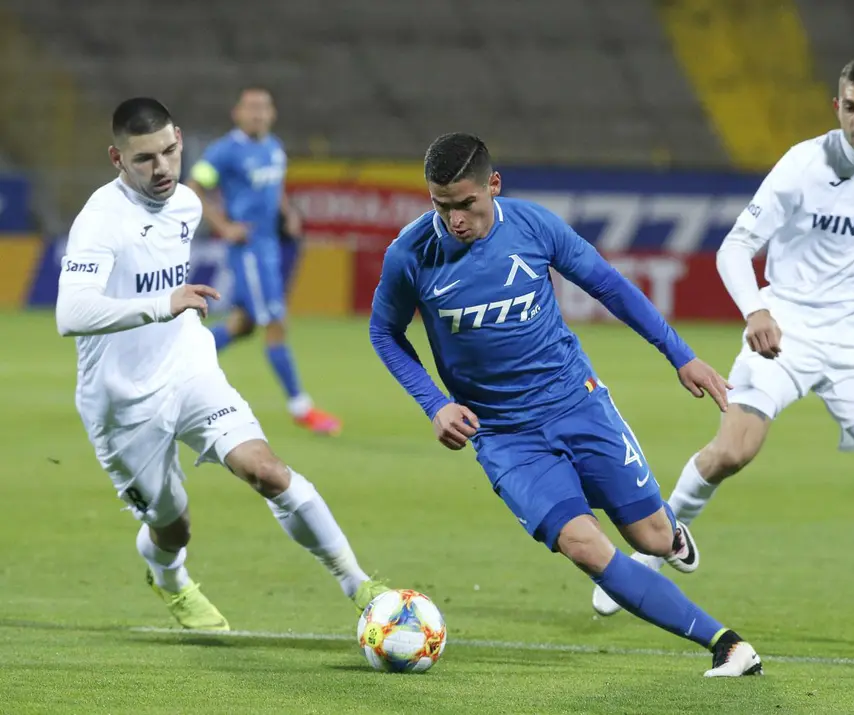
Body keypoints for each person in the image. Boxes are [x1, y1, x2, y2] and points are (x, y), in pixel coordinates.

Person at [590, 57, 854, 652]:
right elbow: (735, 247)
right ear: (837, 107)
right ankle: (655, 548)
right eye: (850, 107)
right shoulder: (804, 165)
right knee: (733, 450)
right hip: (788, 327)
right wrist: (756, 310)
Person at [369, 132, 762, 677]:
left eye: (466, 204)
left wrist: (681, 356)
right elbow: (385, 334)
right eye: (441, 206)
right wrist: (435, 404)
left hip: (577, 403)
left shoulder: (534, 226)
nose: (455, 220)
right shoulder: (409, 255)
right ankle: (726, 644)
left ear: (493, 185)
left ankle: (669, 535)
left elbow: (610, 287)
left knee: (650, 537)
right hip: (503, 435)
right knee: (582, 545)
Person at [56, 97, 388, 631]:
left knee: (267, 471)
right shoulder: (100, 221)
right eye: (144, 159)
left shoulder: (187, 205)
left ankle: (362, 587)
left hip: (188, 370)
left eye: (169, 152)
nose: (162, 168)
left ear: (180, 140)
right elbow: (71, 313)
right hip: (122, 402)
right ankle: (169, 577)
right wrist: (163, 304)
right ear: (117, 158)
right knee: (173, 526)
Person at [187, 86, 341, 436]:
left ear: (272, 114)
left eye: (263, 108)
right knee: (275, 322)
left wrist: (288, 213)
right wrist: (224, 226)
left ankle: (176, 362)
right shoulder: (225, 151)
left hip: (270, 246)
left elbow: (275, 188)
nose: (257, 114)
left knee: (242, 324)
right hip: (249, 250)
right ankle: (301, 407)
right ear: (237, 113)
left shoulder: (274, 148)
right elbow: (194, 185)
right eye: (251, 108)